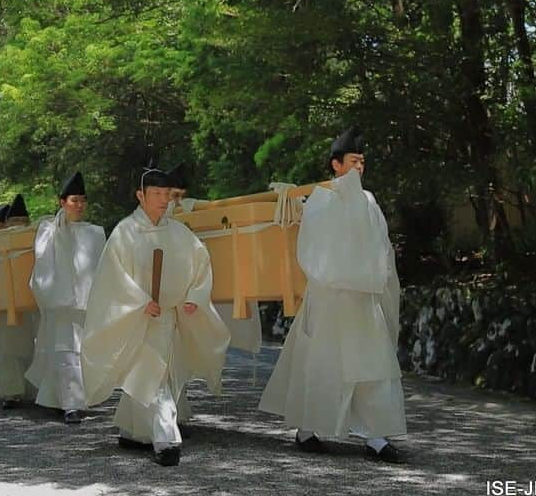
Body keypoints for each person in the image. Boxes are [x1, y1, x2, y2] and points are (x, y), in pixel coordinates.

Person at [259, 127, 406, 462]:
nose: (359, 168)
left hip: (363, 298)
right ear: (336, 164)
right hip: (329, 297)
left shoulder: (369, 201)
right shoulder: (320, 200)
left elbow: (382, 245)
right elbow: (311, 247)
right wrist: (342, 275)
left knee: (373, 365)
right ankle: (307, 430)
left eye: (362, 162)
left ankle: (376, 436)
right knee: (321, 364)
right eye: (353, 161)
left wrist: (378, 276)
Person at [80, 167, 229, 466]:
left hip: (167, 317)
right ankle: (166, 440)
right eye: (157, 194)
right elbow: (112, 278)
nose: (164, 201)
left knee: (155, 374)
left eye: (167, 195)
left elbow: (201, 265)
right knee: (151, 375)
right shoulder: (125, 232)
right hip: (138, 317)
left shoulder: (179, 233)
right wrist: (138, 301)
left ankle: (135, 432)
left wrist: (193, 297)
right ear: (141, 196)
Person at [166, 162, 261, 432]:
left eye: (182, 196)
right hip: (163, 301)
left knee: (181, 355)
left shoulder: (195, 217)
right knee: (167, 357)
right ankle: (167, 414)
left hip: (188, 298)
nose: (178, 202)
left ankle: (173, 411)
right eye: (173, 196)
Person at [26, 173, 106, 424]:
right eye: (74, 200)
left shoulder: (94, 233)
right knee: (64, 352)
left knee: (81, 352)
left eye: (83, 200)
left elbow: (102, 267)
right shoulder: (49, 231)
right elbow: (42, 265)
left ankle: (64, 398)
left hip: (86, 304)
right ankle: (70, 404)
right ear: (62, 202)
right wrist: (52, 296)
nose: (79, 205)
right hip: (60, 304)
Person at [0, 195, 38, 409]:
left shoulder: (33, 240)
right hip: (5, 305)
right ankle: (11, 391)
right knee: (8, 350)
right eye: (15, 222)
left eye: (23, 221)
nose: (19, 226)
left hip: (28, 304)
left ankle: (28, 387)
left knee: (27, 349)